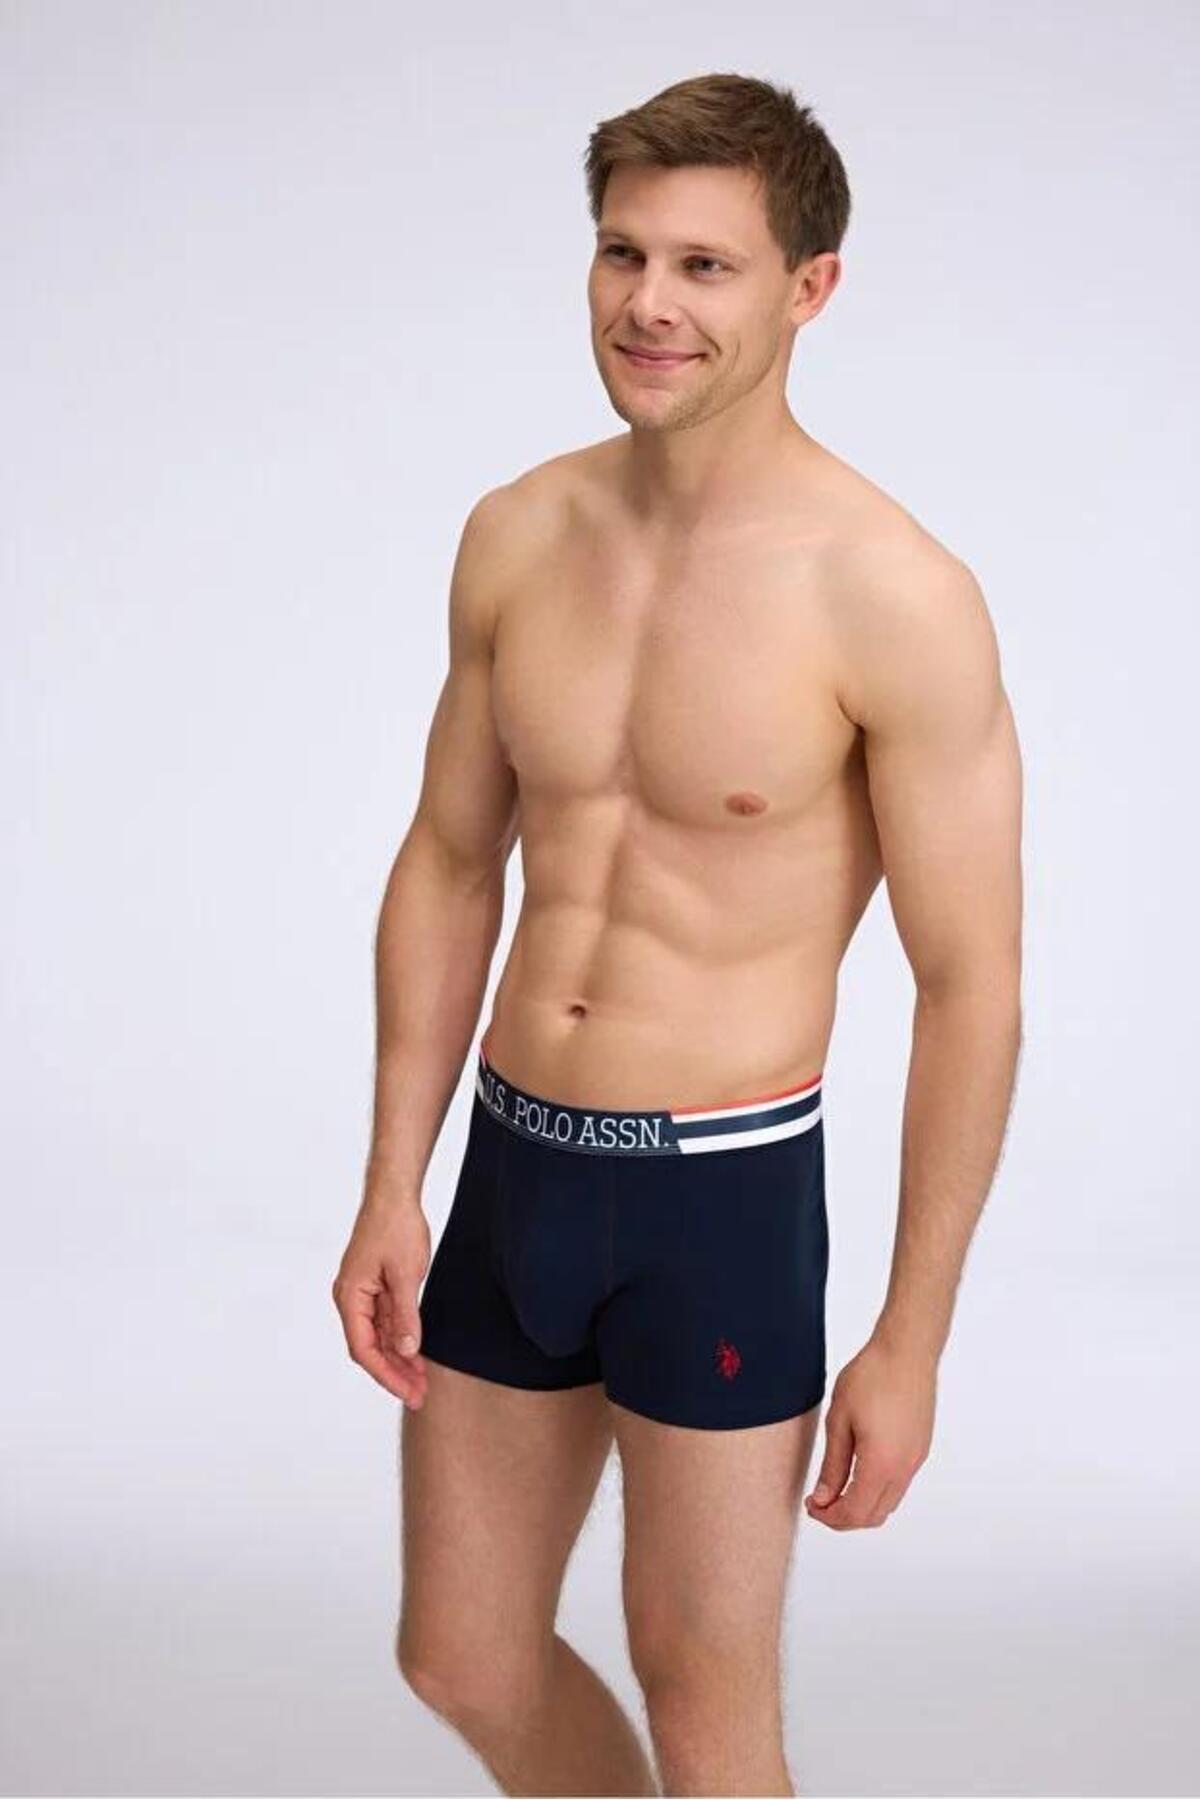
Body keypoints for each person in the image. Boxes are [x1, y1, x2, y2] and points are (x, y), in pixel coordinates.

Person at [332, 70, 1024, 1799]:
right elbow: (449, 861)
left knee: (705, 1700)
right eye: (623, 252)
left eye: (708, 266)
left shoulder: (893, 593)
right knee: (463, 1655)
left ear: (810, 287)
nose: (650, 303)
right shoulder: (520, 533)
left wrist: (912, 1335)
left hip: (719, 1198)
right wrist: (395, 1177)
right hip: (515, 1169)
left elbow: (971, 989)